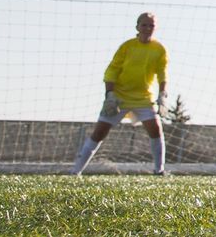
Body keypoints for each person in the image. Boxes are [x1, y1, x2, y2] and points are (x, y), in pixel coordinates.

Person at [72, 11, 170, 176]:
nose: (147, 28)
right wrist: (110, 94)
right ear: (137, 27)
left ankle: (159, 170)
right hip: (119, 97)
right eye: (144, 25)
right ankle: (75, 171)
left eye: (151, 25)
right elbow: (112, 70)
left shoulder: (159, 49)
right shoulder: (127, 46)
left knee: (156, 130)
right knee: (99, 132)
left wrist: (162, 94)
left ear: (155, 28)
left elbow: (162, 73)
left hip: (143, 99)